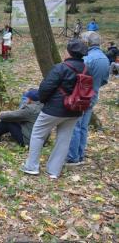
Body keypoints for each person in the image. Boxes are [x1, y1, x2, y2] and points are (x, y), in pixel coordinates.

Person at [22, 39, 89, 179]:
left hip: (54, 109)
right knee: (64, 139)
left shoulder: (61, 67)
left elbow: (45, 88)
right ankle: (54, 171)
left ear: (69, 52)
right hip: (75, 110)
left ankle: (31, 166)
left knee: (38, 134)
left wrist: (44, 101)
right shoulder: (86, 69)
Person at [66, 32, 109, 165]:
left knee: (75, 126)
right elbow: (104, 80)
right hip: (93, 96)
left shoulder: (88, 59)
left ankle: (73, 157)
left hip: (81, 97)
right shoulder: (105, 58)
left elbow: (78, 77)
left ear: (87, 42)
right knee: (83, 126)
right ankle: (80, 154)